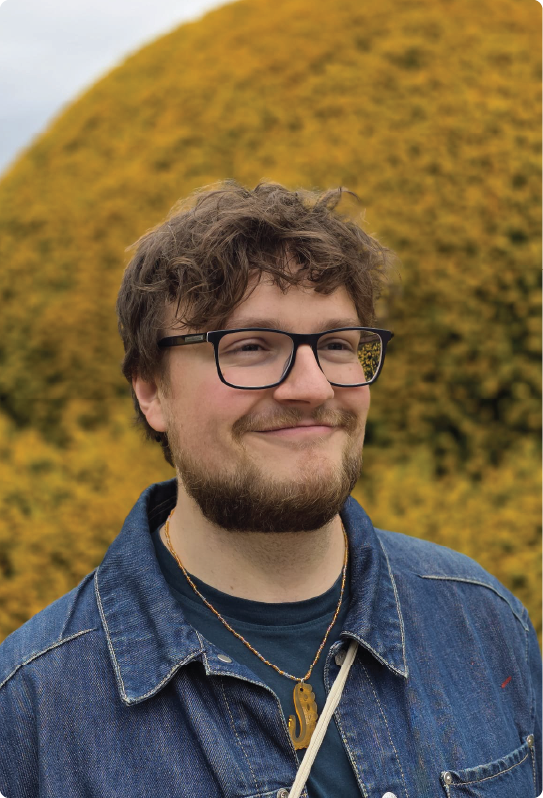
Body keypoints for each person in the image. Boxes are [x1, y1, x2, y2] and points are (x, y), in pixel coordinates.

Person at [0, 181, 542, 798]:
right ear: (151, 391)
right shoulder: (32, 711)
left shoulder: (482, 622)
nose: (312, 387)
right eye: (251, 346)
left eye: (336, 345)